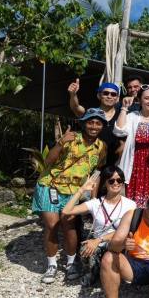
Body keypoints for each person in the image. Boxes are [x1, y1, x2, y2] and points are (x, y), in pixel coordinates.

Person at [33, 108, 107, 284]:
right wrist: (59, 143)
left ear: (102, 126)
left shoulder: (102, 147)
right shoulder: (71, 138)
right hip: (51, 185)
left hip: (75, 191)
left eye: (98, 123)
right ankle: (51, 264)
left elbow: (96, 172)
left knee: (69, 224)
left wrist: (93, 197)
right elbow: (48, 161)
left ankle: (71, 263)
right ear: (84, 123)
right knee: (52, 224)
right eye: (90, 122)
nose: (94, 126)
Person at [62, 166, 137, 286]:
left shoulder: (130, 205)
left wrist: (98, 240)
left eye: (119, 180)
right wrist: (82, 190)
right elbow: (66, 211)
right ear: (105, 183)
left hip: (116, 242)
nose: (116, 183)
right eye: (111, 181)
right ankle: (93, 272)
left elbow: (126, 230)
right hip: (97, 244)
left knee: (112, 245)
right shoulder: (95, 203)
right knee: (85, 248)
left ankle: (115, 271)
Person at [67, 80, 123, 165]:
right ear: (99, 95)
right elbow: (76, 108)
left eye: (113, 94)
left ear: (117, 98)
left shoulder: (122, 115)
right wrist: (73, 94)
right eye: (106, 93)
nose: (109, 96)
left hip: (113, 164)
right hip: (88, 160)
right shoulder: (91, 112)